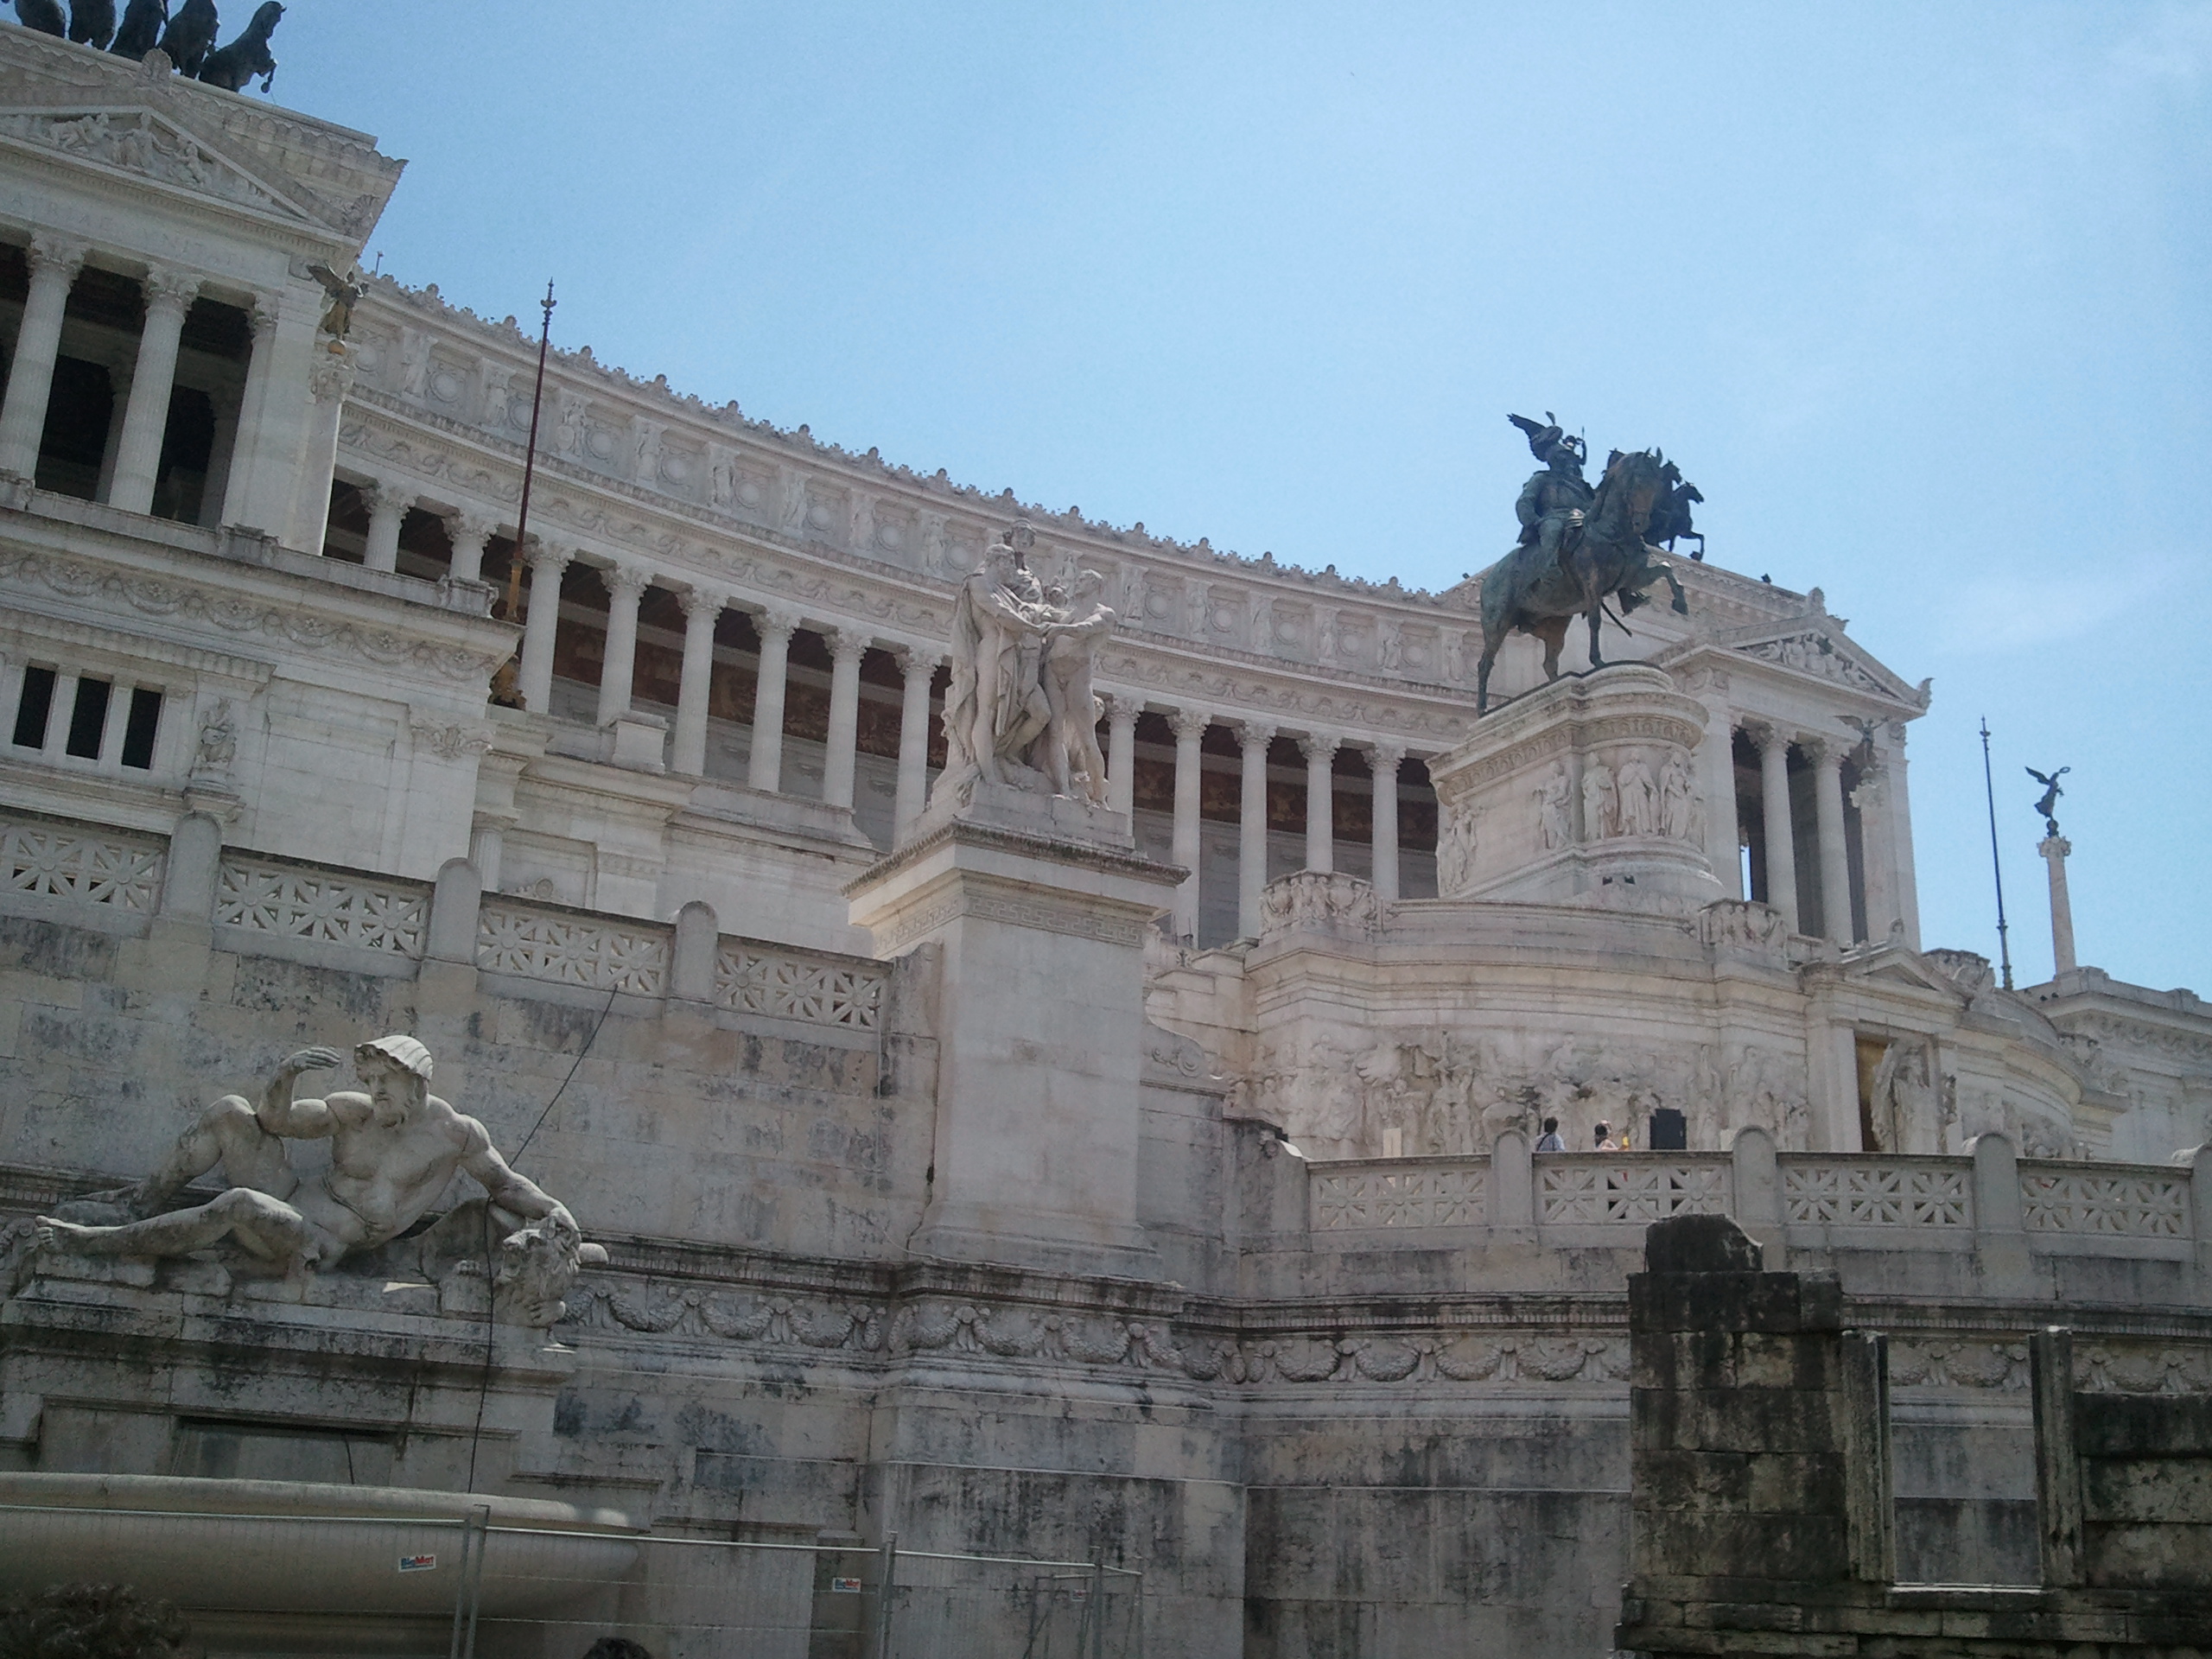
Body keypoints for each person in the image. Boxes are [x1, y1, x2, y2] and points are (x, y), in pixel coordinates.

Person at [37, 1036, 575, 1277]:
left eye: (384, 1081)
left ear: (417, 1083)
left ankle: (97, 1243)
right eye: (369, 1080)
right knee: (229, 1112)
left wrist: (557, 1212)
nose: (374, 1090)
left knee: (240, 1204)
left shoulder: (456, 1135)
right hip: (291, 1199)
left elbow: (506, 1186)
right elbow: (276, 1122)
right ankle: (139, 1204)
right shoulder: (353, 1111)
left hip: (320, 1241)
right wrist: (285, 1076)